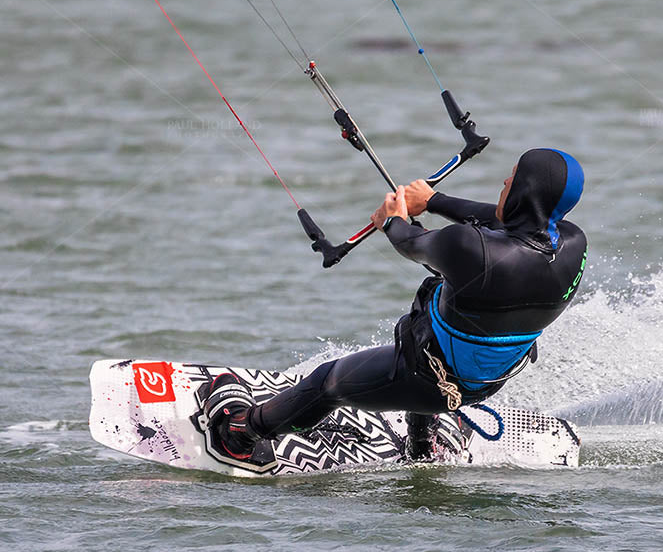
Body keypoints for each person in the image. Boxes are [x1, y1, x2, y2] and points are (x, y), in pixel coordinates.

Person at [204, 147, 587, 461]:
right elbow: (506, 224)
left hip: (430, 379)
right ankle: (422, 446)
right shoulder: (573, 244)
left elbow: (411, 243)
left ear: (524, 190)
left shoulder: (470, 249)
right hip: (489, 379)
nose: (505, 181)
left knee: (329, 382)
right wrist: (434, 201)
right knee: (448, 329)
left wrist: (392, 219)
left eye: (513, 176)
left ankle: (241, 433)